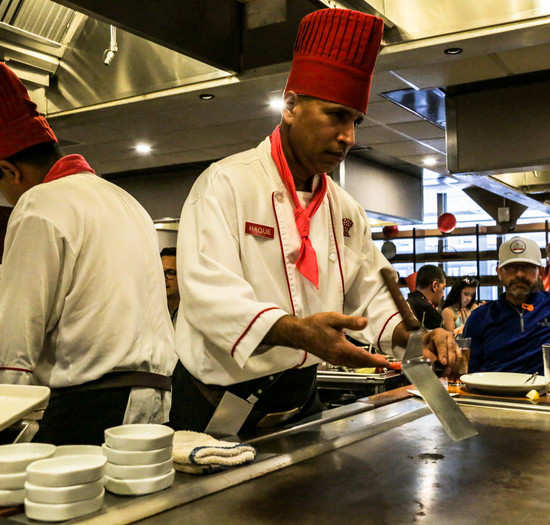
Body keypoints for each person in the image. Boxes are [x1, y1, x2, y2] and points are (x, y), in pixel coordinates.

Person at [170, 9, 458, 434]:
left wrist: (414, 337)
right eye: (336, 115)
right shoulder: (226, 183)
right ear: (290, 106)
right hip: (221, 400)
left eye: (355, 121)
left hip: (301, 396)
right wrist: (298, 332)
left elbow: (374, 290)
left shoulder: (344, 208)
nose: (349, 136)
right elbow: (208, 296)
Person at [0, 63, 176, 445]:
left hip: (91, 401)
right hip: (158, 395)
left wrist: (6, 412)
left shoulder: (38, 205)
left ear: (9, 171)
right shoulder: (125, 200)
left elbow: (18, 333)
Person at [465, 237, 550, 374]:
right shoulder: (480, 317)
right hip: (492, 393)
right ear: (499, 273)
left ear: (541, 272)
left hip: (545, 392)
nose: (519, 274)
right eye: (511, 268)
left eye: (527, 267)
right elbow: (469, 370)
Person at [407, 265, 446, 330]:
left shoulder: (407, 303)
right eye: (443, 288)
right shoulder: (430, 313)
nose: (443, 295)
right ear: (435, 285)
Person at [161, 247, 180, 324]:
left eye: (170, 272)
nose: (163, 279)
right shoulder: (151, 309)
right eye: (161, 273)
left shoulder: (192, 311)